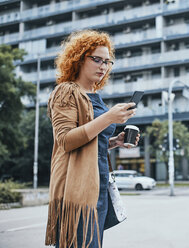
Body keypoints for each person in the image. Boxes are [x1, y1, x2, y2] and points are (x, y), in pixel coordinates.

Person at [45, 30, 140, 248]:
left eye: (107, 62)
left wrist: (115, 141)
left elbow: (90, 141)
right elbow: (66, 140)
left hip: (99, 186)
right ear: (78, 59)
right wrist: (109, 117)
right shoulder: (66, 92)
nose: (103, 66)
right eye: (96, 59)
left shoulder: (95, 97)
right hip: (77, 191)